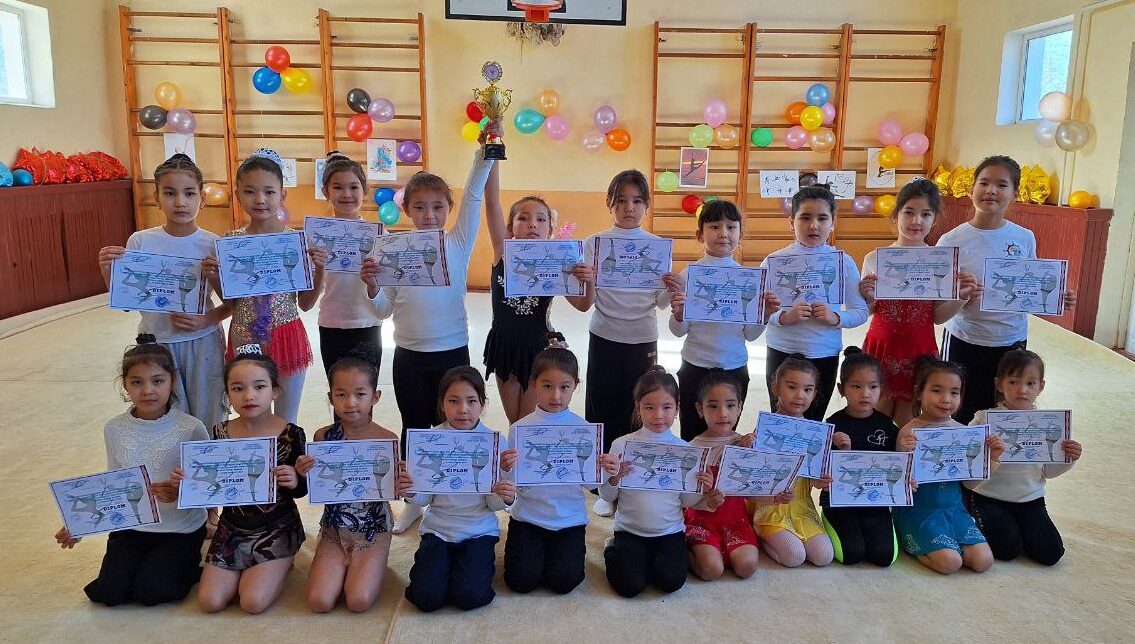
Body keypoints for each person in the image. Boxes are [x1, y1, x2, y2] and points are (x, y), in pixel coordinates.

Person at [362, 131, 498, 533]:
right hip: (408, 355)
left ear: (448, 209)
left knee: (456, 425)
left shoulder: (457, 241)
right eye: (419, 207)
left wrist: (486, 150)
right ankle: (415, 500)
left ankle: (460, 496)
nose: (429, 215)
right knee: (416, 429)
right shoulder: (394, 249)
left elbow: (474, 196)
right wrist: (371, 286)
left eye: (438, 207)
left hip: (452, 353)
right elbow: (383, 309)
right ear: (406, 210)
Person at [54, 337, 208, 606]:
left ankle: (188, 565)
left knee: (151, 591)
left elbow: (208, 488)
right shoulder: (114, 429)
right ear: (125, 384)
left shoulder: (191, 427)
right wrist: (79, 524)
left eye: (157, 381)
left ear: (172, 380)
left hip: (180, 528)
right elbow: (111, 487)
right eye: (137, 382)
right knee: (110, 593)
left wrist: (181, 492)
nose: (148, 390)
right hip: (132, 527)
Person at [575, 170, 683, 516]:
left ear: (646, 205)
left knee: (639, 407)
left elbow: (662, 302)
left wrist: (671, 286)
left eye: (637, 201)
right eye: (621, 200)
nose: (629, 208)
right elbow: (586, 300)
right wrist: (586, 280)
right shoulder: (594, 243)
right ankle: (604, 486)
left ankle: (633, 480)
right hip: (604, 335)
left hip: (642, 338)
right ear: (609, 203)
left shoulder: (657, 246)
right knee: (602, 406)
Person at [936, 156, 1075, 423]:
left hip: (1012, 340)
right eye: (984, 183)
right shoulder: (951, 240)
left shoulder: (1024, 237)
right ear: (971, 188)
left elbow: (1029, 288)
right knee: (960, 411)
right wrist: (961, 296)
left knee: (1008, 412)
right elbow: (938, 310)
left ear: (1015, 193)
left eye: (1001, 185)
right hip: (965, 339)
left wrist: (1056, 297)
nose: (991, 190)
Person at [96, 154, 229, 429]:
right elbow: (126, 303)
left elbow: (233, 303)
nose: (180, 202)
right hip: (157, 344)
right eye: (169, 193)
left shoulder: (212, 244)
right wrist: (108, 271)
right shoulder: (141, 241)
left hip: (203, 343)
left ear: (202, 198)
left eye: (189, 193)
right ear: (156, 197)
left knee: (209, 416)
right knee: (166, 419)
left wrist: (206, 319)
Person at [188, 347, 308, 613]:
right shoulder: (220, 432)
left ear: (275, 391)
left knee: (252, 602)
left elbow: (303, 488)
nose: (249, 395)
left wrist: (294, 479)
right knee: (210, 601)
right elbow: (214, 483)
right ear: (228, 394)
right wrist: (191, 482)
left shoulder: (291, 433)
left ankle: (284, 557)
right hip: (232, 527)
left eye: (259, 386)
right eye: (238, 388)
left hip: (276, 526)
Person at [217, 148, 327, 424]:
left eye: (269, 192)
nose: (260, 199)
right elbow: (232, 304)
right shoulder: (230, 242)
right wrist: (212, 277)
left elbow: (305, 304)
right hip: (244, 335)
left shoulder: (296, 242)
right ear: (238, 194)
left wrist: (320, 270)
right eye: (250, 191)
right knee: (251, 414)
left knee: (286, 420)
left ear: (282, 195)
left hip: (286, 334)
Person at [858, 179, 980, 426]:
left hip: (919, 351)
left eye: (925, 214)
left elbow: (938, 316)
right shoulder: (875, 258)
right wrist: (868, 297)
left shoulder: (939, 261)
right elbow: (868, 312)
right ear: (895, 216)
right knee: (877, 417)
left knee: (910, 422)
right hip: (881, 347)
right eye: (909, 212)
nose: (916, 221)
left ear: (934, 220)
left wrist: (961, 296)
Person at [482, 163, 594, 424]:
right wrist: (492, 151)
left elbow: (583, 305)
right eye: (523, 218)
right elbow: (492, 202)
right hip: (505, 345)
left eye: (541, 219)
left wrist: (589, 282)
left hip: (538, 348)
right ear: (510, 227)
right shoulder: (502, 251)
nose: (532, 224)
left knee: (529, 422)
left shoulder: (556, 260)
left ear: (549, 230)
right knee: (515, 422)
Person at [399, 367, 515, 612]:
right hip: (438, 529)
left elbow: (492, 504)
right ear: (442, 405)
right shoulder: (430, 440)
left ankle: (463, 570)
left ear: (482, 404)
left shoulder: (495, 442)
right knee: (427, 598)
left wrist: (505, 495)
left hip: (479, 530)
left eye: (471, 401)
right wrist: (410, 491)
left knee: (469, 596)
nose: (463, 409)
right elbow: (424, 498)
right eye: (453, 401)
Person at [294, 344, 398, 612]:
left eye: (360, 394)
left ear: (375, 396)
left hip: (373, 527)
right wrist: (304, 473)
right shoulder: (323, 437)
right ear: (331, 397)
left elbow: (393, 488)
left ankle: (373, 560)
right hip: (334, 527)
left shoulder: (387, 440)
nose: (350, 403)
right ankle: (346, 563)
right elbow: (319, 486)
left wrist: (403, 482)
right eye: (341, 394)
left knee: (358, 600)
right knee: (319, 601)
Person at [599, 367, 712, 597]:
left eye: (667, 407)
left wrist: (702, 487)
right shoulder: (621, 445)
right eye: (649, 407)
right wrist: (614, 478)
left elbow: (686, 501)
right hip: (629, 530)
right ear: (638, 408)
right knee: (628, 586)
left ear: (677, 408)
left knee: (671, 581)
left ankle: (654, 558)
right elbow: (607, 496)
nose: (658, 415)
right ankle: (612, 548)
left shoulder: (685, 450)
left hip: (669, 531)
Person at [964, 349, 1081, 565]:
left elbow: (1048, 472)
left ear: (1041, 387)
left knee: (1051, 554)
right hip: (989, 498)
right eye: (1013, 382)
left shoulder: (1048, 424)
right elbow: (968, 464)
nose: (1022, 390)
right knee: (1008, 550)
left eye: (1030, 383)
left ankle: (1017, 528)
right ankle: (978, 520)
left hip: (1031, 500)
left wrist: (1069, 458)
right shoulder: (983, 420)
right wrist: (987, 453)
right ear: (999, 384)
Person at [761, 186, 868, 421]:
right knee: (780, 421)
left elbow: (860, 312)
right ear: (791, 222)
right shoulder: (773, 261)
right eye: (805, 218)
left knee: (813, 423)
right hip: (782, 351)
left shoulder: (844, 262)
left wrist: (835, 317)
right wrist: (783, 317)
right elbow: (757, 312)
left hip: (824, 353)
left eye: (822, 218)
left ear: (833, 222)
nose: (814, 225)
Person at [669, 200, 772, 440]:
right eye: (714, 227)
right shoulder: (689, 275)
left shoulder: (747, 279)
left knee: (726, 436)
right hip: (695, 367)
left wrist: (765, 314)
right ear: (700, 235)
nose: (723, 233)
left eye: (731, 227)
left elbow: (750, 335)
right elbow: (677, 331)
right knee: (692, 435)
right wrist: (679, 314)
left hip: (734, 367)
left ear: (740, 235)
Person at [892, 357, 1004, 574]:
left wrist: (992, 459)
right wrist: (904, 454)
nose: (946, 399)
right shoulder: (908, 432)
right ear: (918, 392)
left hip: (954, 510)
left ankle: (946, 545)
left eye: (954, 392)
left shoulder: (965, 434)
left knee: (984, 561)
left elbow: (969, 485)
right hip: (919, 511)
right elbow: (899, 485)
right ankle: (912, 542)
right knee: (950, 563)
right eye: (936, 390)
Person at [498, 339, 592, 594]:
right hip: (528, 517)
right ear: (533, 384)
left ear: (575, 386)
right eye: (547, 386)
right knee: (520, 581)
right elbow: (511, 484)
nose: (556, 396)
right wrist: (505, 468)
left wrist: (603, 468)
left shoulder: (584, 430)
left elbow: (591, 484)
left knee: (564, 582)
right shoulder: (520, 429)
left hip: (569, 519)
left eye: (565, 387)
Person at [683, 370, 776, 580]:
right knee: (711, 570)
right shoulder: (691, 449)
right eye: (713, 406)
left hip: (736, 521)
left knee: (747, 566)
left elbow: (753, 490)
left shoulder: (746, 443)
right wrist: (705, 498)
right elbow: (683, 497)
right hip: (702, 520)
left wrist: (775, 496)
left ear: (740, 407)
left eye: (731, 405)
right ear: (700, 409)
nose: (723, 413)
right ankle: (684, 552)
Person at [751, 356, 835, 567]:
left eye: (808, 389)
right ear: (775, 388)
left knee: (824, 556)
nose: (800, 395)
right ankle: (760, 534)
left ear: (814, 393)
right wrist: (747, 447)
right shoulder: (766, 429)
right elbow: (753, 477)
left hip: (801, 506)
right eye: (791, 387)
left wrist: (823, 480)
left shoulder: (816, 434)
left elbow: (815, 482)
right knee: (794, 556)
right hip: (771, 506)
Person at [821, 347, 900, 566]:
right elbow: (820, 471)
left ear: (881, 390)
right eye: (856, 386)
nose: (865, 393)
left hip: (874, 502)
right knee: (851, 554)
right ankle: (826, 517)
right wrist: (842, 452)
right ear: (841, 389)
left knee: (884, 556)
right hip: (838, 503)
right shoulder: (831, 425)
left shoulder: (888, 426)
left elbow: (898, 467)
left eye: (873, 387)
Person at [315, 151, 386, 375]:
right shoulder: (316, 236)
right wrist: (316, 268)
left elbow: (388, 292)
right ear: (326, 192)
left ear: (365, 191)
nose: (346, 194)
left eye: (354, 187)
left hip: (368, 324)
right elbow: (308, 295)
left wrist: (375, 282)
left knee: (366, 391)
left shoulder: (380, 236)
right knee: (338, 390)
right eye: (337, 187)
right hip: (331, 324)